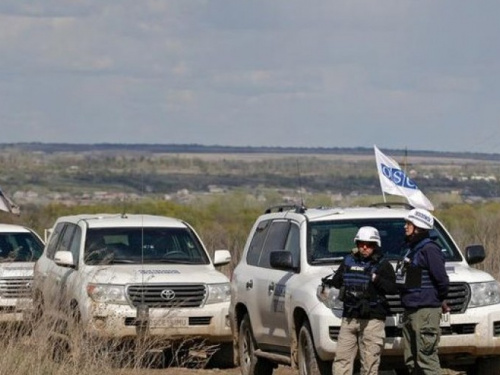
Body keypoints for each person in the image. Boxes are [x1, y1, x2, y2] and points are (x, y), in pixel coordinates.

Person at [329, 226, 398, 375]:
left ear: (375, 245)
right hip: (349, 318)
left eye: (369, 244)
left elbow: (393, 288)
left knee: (369, 363)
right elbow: (336, 281)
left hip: (372, 320)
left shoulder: (383, 265)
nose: (364, 247)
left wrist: (376, 279)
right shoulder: (348, 261)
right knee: (341, 361)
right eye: (361, 244)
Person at [397, 208, 450, 375]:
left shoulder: (430, 249)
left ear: (418, 226)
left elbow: (441, 280)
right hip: (411, 309)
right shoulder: (411, 249)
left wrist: (437, 300)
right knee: (412, 361)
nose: (405, 227)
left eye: (409, 224)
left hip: (425, 311)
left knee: (427, 360)